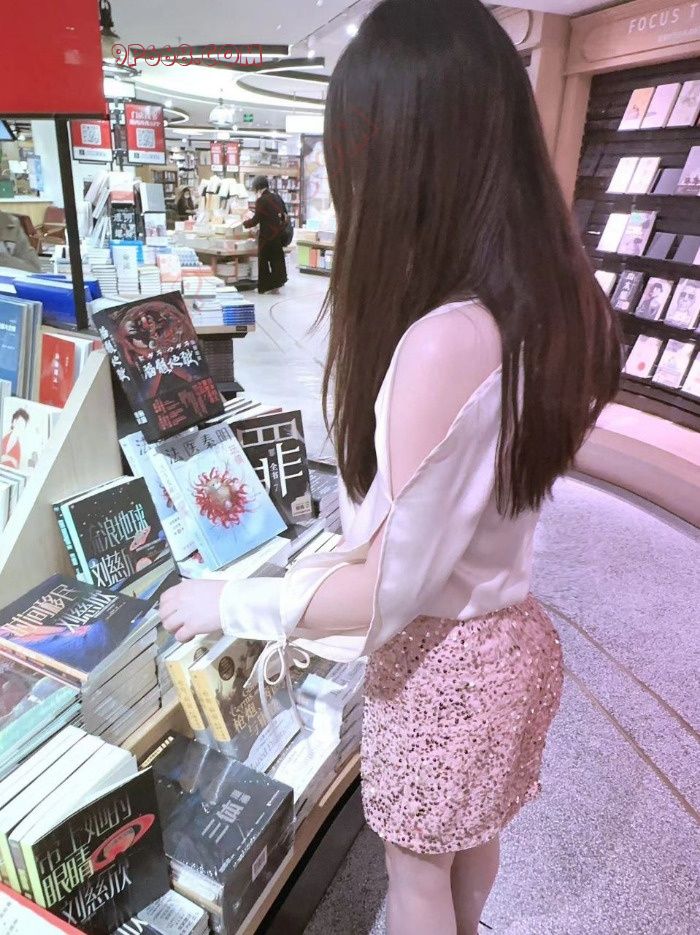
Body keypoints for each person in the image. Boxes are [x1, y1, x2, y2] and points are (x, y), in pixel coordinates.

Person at [159, 1, 621, 933]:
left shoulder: (443, 339)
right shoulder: (553, 301)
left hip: (441, 663)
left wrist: (228, 602)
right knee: (472, 836)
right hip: (511, 637)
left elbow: (388, 592)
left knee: (416, 877)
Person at [243, 175, 288, 294]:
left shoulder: (261, 200)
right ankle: (277, 286)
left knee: (263, 262)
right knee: (277, 261)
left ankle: (265, 287)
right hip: (278, 235)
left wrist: (244, 224)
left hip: (267, 236)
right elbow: (285, 214)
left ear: (257, 187)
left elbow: (256, 219)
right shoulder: (277, 197)